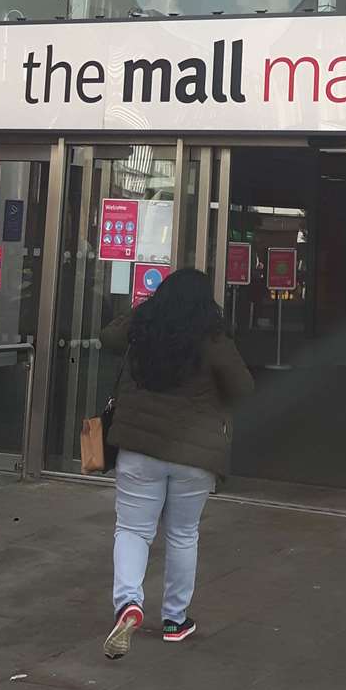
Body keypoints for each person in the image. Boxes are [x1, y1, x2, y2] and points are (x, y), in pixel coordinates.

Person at [101, 266, 254, 660]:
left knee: (133, 530)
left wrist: (143, 309)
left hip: (138, 449)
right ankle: (175, 620)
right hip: (194, 454)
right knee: (183, 534)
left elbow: (109, 337)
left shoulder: (144, 328)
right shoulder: (213, 339)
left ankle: (129, 605)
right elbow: (243, 388)